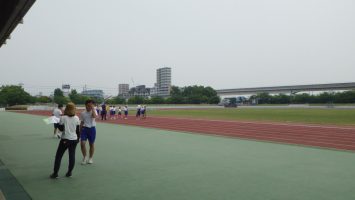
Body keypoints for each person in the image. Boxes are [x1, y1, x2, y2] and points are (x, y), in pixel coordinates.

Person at [50, 102, 80, 179]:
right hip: (74, 139)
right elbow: (77, 130)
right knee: (72, 156)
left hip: (65, 139)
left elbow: (61, 129)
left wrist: (57, 123)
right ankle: (69, 173)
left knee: (58, 156)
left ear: (66, 108)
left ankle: (55, 173)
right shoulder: (76, 118)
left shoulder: (63, 118)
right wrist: (78, 139)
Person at [80, 99, 98, 165]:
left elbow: (94, 116)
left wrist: (93, 108)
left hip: (92, 129)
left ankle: (90, 158)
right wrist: (79, 131)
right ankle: (85, 157)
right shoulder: (82, 113)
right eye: (88, 105)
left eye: (91, 105)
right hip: (84, 129)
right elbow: (81, 122)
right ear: (85, 105)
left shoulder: (94, 111)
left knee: (91, 144)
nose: (89, 107)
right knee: (82, 143)